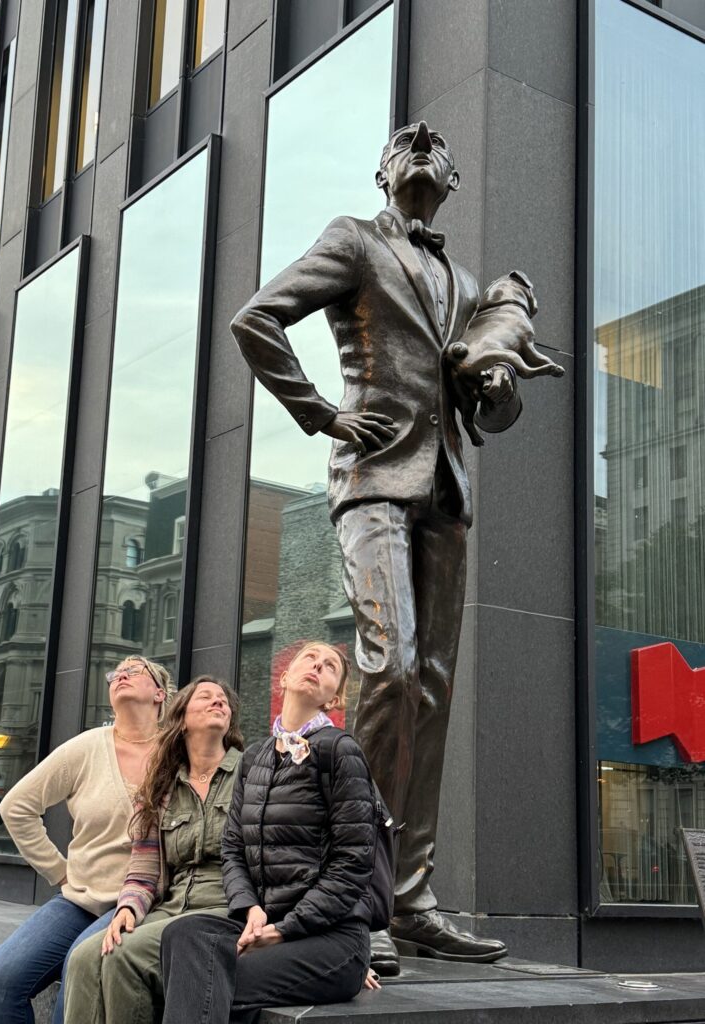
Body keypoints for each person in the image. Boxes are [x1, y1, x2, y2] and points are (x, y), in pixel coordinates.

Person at [232, 121, 524, 972]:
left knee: (431, 687)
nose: (422, 141)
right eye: (403, 141)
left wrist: (498, 381)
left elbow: (492, 412)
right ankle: (361, 893)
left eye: (433, 145)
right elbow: (257, 319)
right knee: (390, 667)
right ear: (382, 173)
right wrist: (321, 413)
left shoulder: (465, 284)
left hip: (445, 492)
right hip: (373, 480)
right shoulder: (355, 240)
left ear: (454, 180)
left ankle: (411, 896)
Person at [158, 641, 377, 1024]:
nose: (318, 666)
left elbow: (353, 863)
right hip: (266, 923)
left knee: (207, 978)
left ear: (334, 698)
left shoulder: (340, 751)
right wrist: (251, 908)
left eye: (330, 666)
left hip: (332, 939)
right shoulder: (254, 758)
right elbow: (232, 849)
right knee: (184, 933)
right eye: (310, 658)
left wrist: (284, 930)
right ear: (285, 677)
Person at [0, 656, 174, 1024]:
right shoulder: (86, 747)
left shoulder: (177, 752)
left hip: (147, 901)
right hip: (80, 900)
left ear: (159, 693)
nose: (121, 675)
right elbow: (16, 807)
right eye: (116, 673)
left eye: (134, 671)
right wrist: (60, 871)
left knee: (77, 970)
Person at [63, 677, 244, 1024]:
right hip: (172, 906)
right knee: (84, 957)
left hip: (225, 905)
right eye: (205, 697)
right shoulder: (161, 787)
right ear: (182, 719)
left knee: (124, 957)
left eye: (223, 700)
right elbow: (144, 870)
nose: (218, 701)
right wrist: (128, 907)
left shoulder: (251, 775)